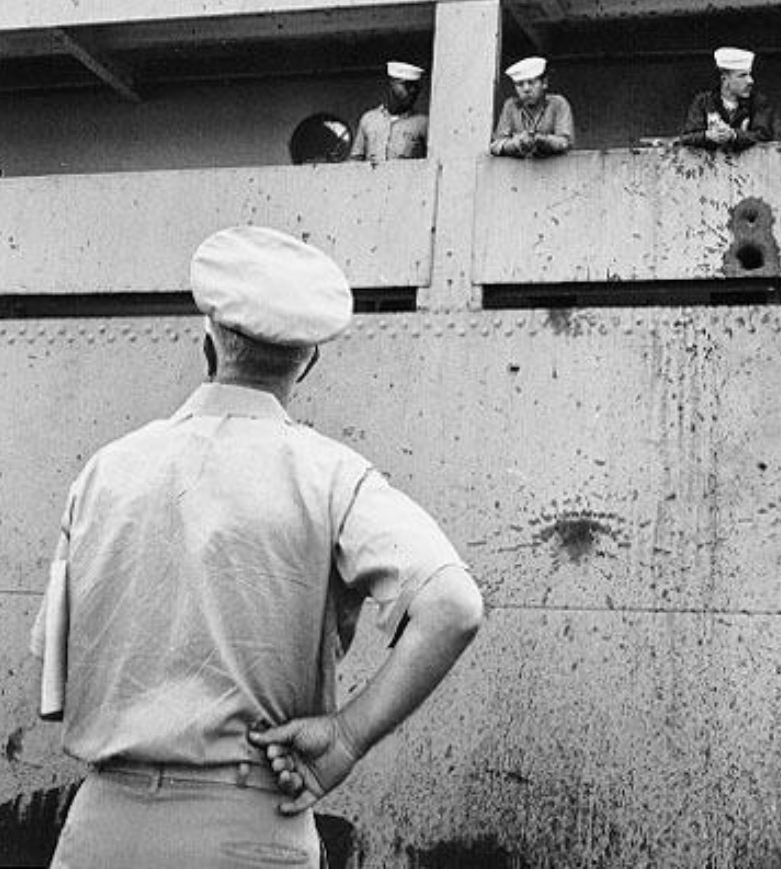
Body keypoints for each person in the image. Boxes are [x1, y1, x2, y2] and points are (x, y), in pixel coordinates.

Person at [33, 226, 482, 869]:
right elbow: (454, 606)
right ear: (308, 360)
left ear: (207, 344)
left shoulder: (105, 471)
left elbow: (58, 684)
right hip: (253, 827)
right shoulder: (334, 476)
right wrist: (346, 739)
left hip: (103, 829)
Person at [680, 46, 775, 151]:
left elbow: (765, 136)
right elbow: (686, 138)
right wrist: (707, 136)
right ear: (724, 79)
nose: (750, 81)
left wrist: (734, 135)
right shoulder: (703, 101)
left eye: (749, 74)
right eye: (742, 75)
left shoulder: (758, 102)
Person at [490, 56, 575, 158]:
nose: (526, 89)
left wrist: (540, 140)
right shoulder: (510, 106)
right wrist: (517, 143)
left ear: (544, 83)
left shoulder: (558, 104)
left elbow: (565, 142)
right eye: (519, 84)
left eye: (531, 83)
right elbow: (496, 145)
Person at [350, 61, 429, 164]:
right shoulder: (369, 119)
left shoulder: (423, 124)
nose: (413, 91)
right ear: (391, 85)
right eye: (407, 85)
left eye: (416, 87)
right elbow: (355, 160)